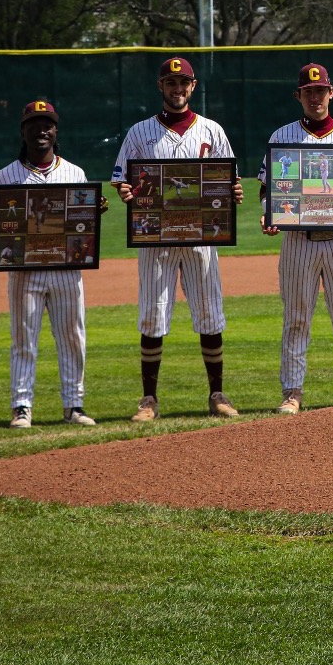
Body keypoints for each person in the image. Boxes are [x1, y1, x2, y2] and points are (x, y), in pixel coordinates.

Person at [111, 56, 244, 422]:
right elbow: (121, 177)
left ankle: (217, 394)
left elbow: (228, 177)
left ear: (193, 86)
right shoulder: (139, 132)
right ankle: (148, 399)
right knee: (153, 316)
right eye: (171, 83)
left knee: (210, 315)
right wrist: (126, 192)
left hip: (202, 240)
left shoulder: (212, 131)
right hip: (156, 239)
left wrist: (232, 192)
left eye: (183, 82)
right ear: (160, 87)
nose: (178, 89)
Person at [262, 63, 333, 415]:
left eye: (319, 90)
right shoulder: (281, 137)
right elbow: (268, 189)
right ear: (298, 96)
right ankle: (292, 391)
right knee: (296, 317)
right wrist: (268, 211)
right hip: (297, 241)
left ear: (331, 93)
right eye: (308, 91)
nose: (314, 97)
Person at [0, 99, 103, 428]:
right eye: (34, 124)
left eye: (48, 124)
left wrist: (94, 213)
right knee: (24, 337)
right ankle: (21, 406)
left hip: (67, 270)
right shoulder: (5, 175)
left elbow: (84, 222)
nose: (41, 129)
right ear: (23, 130)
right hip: (24, 272)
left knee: (72, 336)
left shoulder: (75, 173)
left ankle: (74, 405)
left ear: (56, 130)